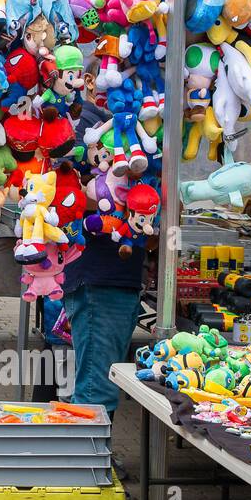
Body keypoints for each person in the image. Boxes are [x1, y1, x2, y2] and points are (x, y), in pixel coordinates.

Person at [62, 89, 149, 419]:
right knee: (96, 389)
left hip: (114, 280)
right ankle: (87, 466)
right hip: (99, 281)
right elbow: (68, 190)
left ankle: (88, 463)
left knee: (98, 382)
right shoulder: (85, 122)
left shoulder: (118, 123)